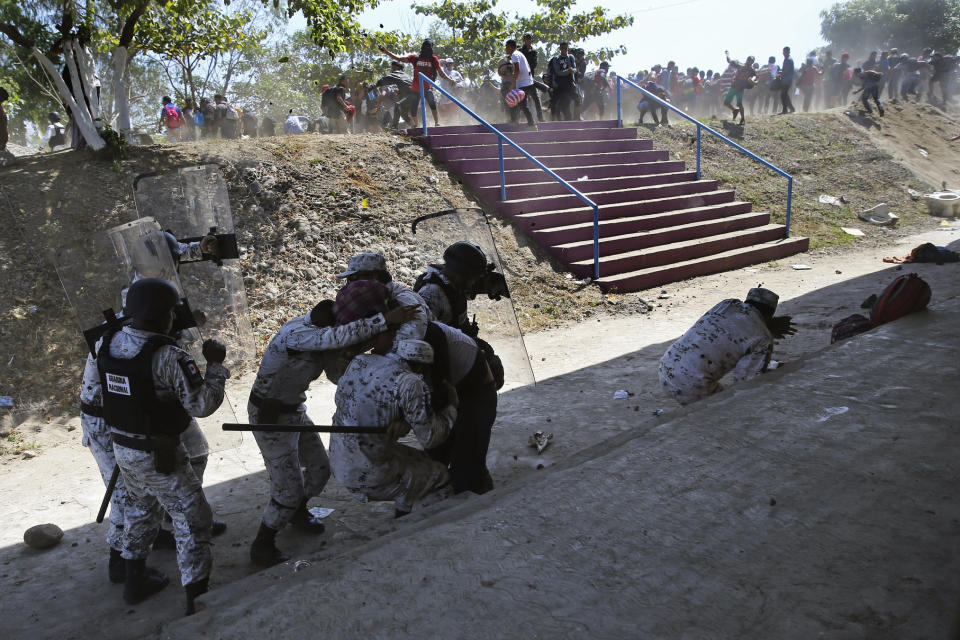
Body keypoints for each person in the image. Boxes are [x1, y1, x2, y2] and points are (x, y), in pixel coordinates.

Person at [247, 282, 418, 566]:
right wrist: (384, 320)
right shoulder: (298, 333)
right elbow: (335, 338)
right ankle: (262, 544)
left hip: (293, 411)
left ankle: (297, 512)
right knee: (286, 489)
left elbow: (335, 374)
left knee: (319, 469)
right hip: (269, 417)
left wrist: (350, 359)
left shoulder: (328, 336)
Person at [96, 278, 229, 615]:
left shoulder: (107, 340)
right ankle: (196, 604)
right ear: (166, 315)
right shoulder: (168, 356)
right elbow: (201, 404)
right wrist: (215, 365)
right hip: (158, 455)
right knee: (194, 522)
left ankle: (133, 581)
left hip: (123, 449)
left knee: (141, 510)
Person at [330, 336, 458, 518]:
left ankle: (403, 512)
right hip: (366, 469)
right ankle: (418, 528)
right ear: (421, 367)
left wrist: (404, 420)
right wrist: (452, 409)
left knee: (419, 460)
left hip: (339, 456)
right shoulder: (410, 382)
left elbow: (369, 404)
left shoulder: (361, 361)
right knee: (439, 475)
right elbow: (430, 438)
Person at [659, 288, 796, 405]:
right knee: (728, 410)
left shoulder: (727, 304)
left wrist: (765, 325)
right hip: (690, 384)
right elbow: (746, 382)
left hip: (667, 364)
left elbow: (736, 323)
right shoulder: (762, 338)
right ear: (770, 315)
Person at [421, 321, 497, 495]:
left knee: (466, 473)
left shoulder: (429, 336)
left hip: (474, 389)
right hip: (450, 389)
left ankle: (479, 486)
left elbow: (441, 393)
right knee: (433, 462)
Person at [378, 40, 455, 128]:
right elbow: (399, 58)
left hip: (427, 87)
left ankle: (436, 123)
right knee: (413, 108)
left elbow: (440, 72)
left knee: (432, 104)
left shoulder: (433, 59)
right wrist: (386, 52)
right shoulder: (415, 58)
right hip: (415, 89)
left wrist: (450, 80)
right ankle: (416, 125)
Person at [503, 39, 536, 126]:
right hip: (528, 82)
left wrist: (512, 85)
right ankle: (514, 121)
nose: (505, 49)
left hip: (524, 84)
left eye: (506, 47)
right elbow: (519, 72)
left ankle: (531, 124)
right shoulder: (519, 53)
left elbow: (517, 71)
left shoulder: (514, 55)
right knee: (518, 103)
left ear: (510, 47)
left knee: (522, 104)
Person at [376, 61, 415, 130]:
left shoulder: (398, 75)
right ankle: (413, 125)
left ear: (397, 67)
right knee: (403, 114)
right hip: (412, 96)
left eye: (393, 68)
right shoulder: (404, 75)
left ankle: (395, 127)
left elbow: (382, 94)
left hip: (410, 95)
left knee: (397, 106)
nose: (392, 70)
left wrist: (379, 104)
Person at [547, 42, 578, 121]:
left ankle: (576, 119)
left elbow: (575, 69)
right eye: (563, 48)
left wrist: (572, 70)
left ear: (568, 49)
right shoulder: (556, 59)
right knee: (554, 101)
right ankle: (553, 120)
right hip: (559, 84)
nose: (564, 50)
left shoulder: (571, 57)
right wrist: (568, 71)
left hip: (569, 84)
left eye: (566, 48)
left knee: (575, 100)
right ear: (560, 49)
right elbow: (558, 72)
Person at [723, 53, 756, 125]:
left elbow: (755, 77)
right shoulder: (740, 65)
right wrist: (727, 54)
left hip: (740, 88)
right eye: (749, 60)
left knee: (739, 104)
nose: (749, 62)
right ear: (747, 60)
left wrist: (753, 80)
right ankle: (734, 110)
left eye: (751, 61)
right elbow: (729, 61)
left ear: (752, 62)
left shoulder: (752, 70)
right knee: (726, 103)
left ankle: (743, 118)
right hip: (734, 86)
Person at [520, 33, 545, 121]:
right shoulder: (519, 52)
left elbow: (533, 65)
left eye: (529, 38)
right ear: (524, 40)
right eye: (526, 38)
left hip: (530, 80)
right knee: (522, 100)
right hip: (522, 80)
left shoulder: (534, 52)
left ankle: (540, 118)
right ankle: (520, 119)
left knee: (537, 100)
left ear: (532, 40)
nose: (528, 40)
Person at [778, 46, 796, 114]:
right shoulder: (787, 59)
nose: (783, 53)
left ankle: (785, 109)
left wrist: (780, 74)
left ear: (788, 52)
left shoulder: (788, 60)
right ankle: (791, 108)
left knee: (783, 94)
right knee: (785, 94)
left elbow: (786, 71)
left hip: (787, 80)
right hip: (786, 79)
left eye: (785, 52)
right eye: (783, 51)